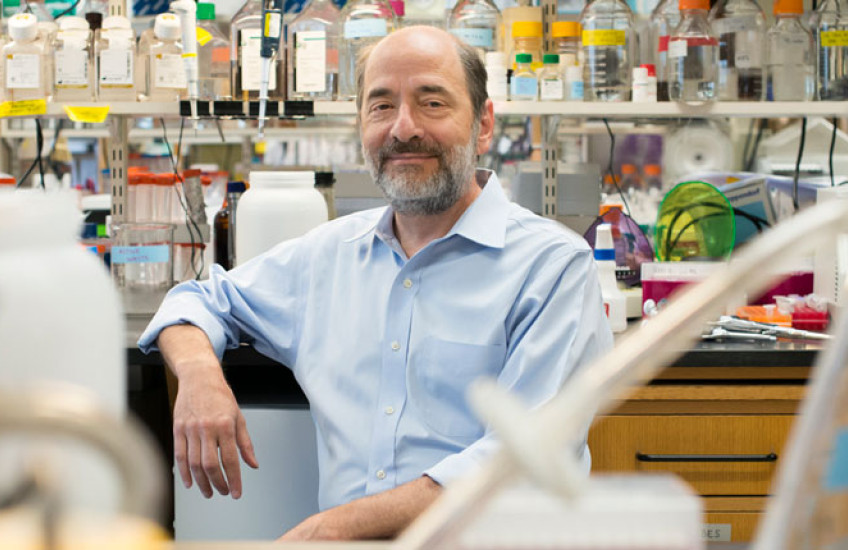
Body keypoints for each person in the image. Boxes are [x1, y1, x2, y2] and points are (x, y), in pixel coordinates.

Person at [138, 25, 613, 541]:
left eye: (432, 103)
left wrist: (330, 530)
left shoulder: (551, 268)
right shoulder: (328, 256)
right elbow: (197, 301)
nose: (403, 129)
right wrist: (200, 378)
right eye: (382, 106)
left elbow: (522, 460)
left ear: (483, 125)